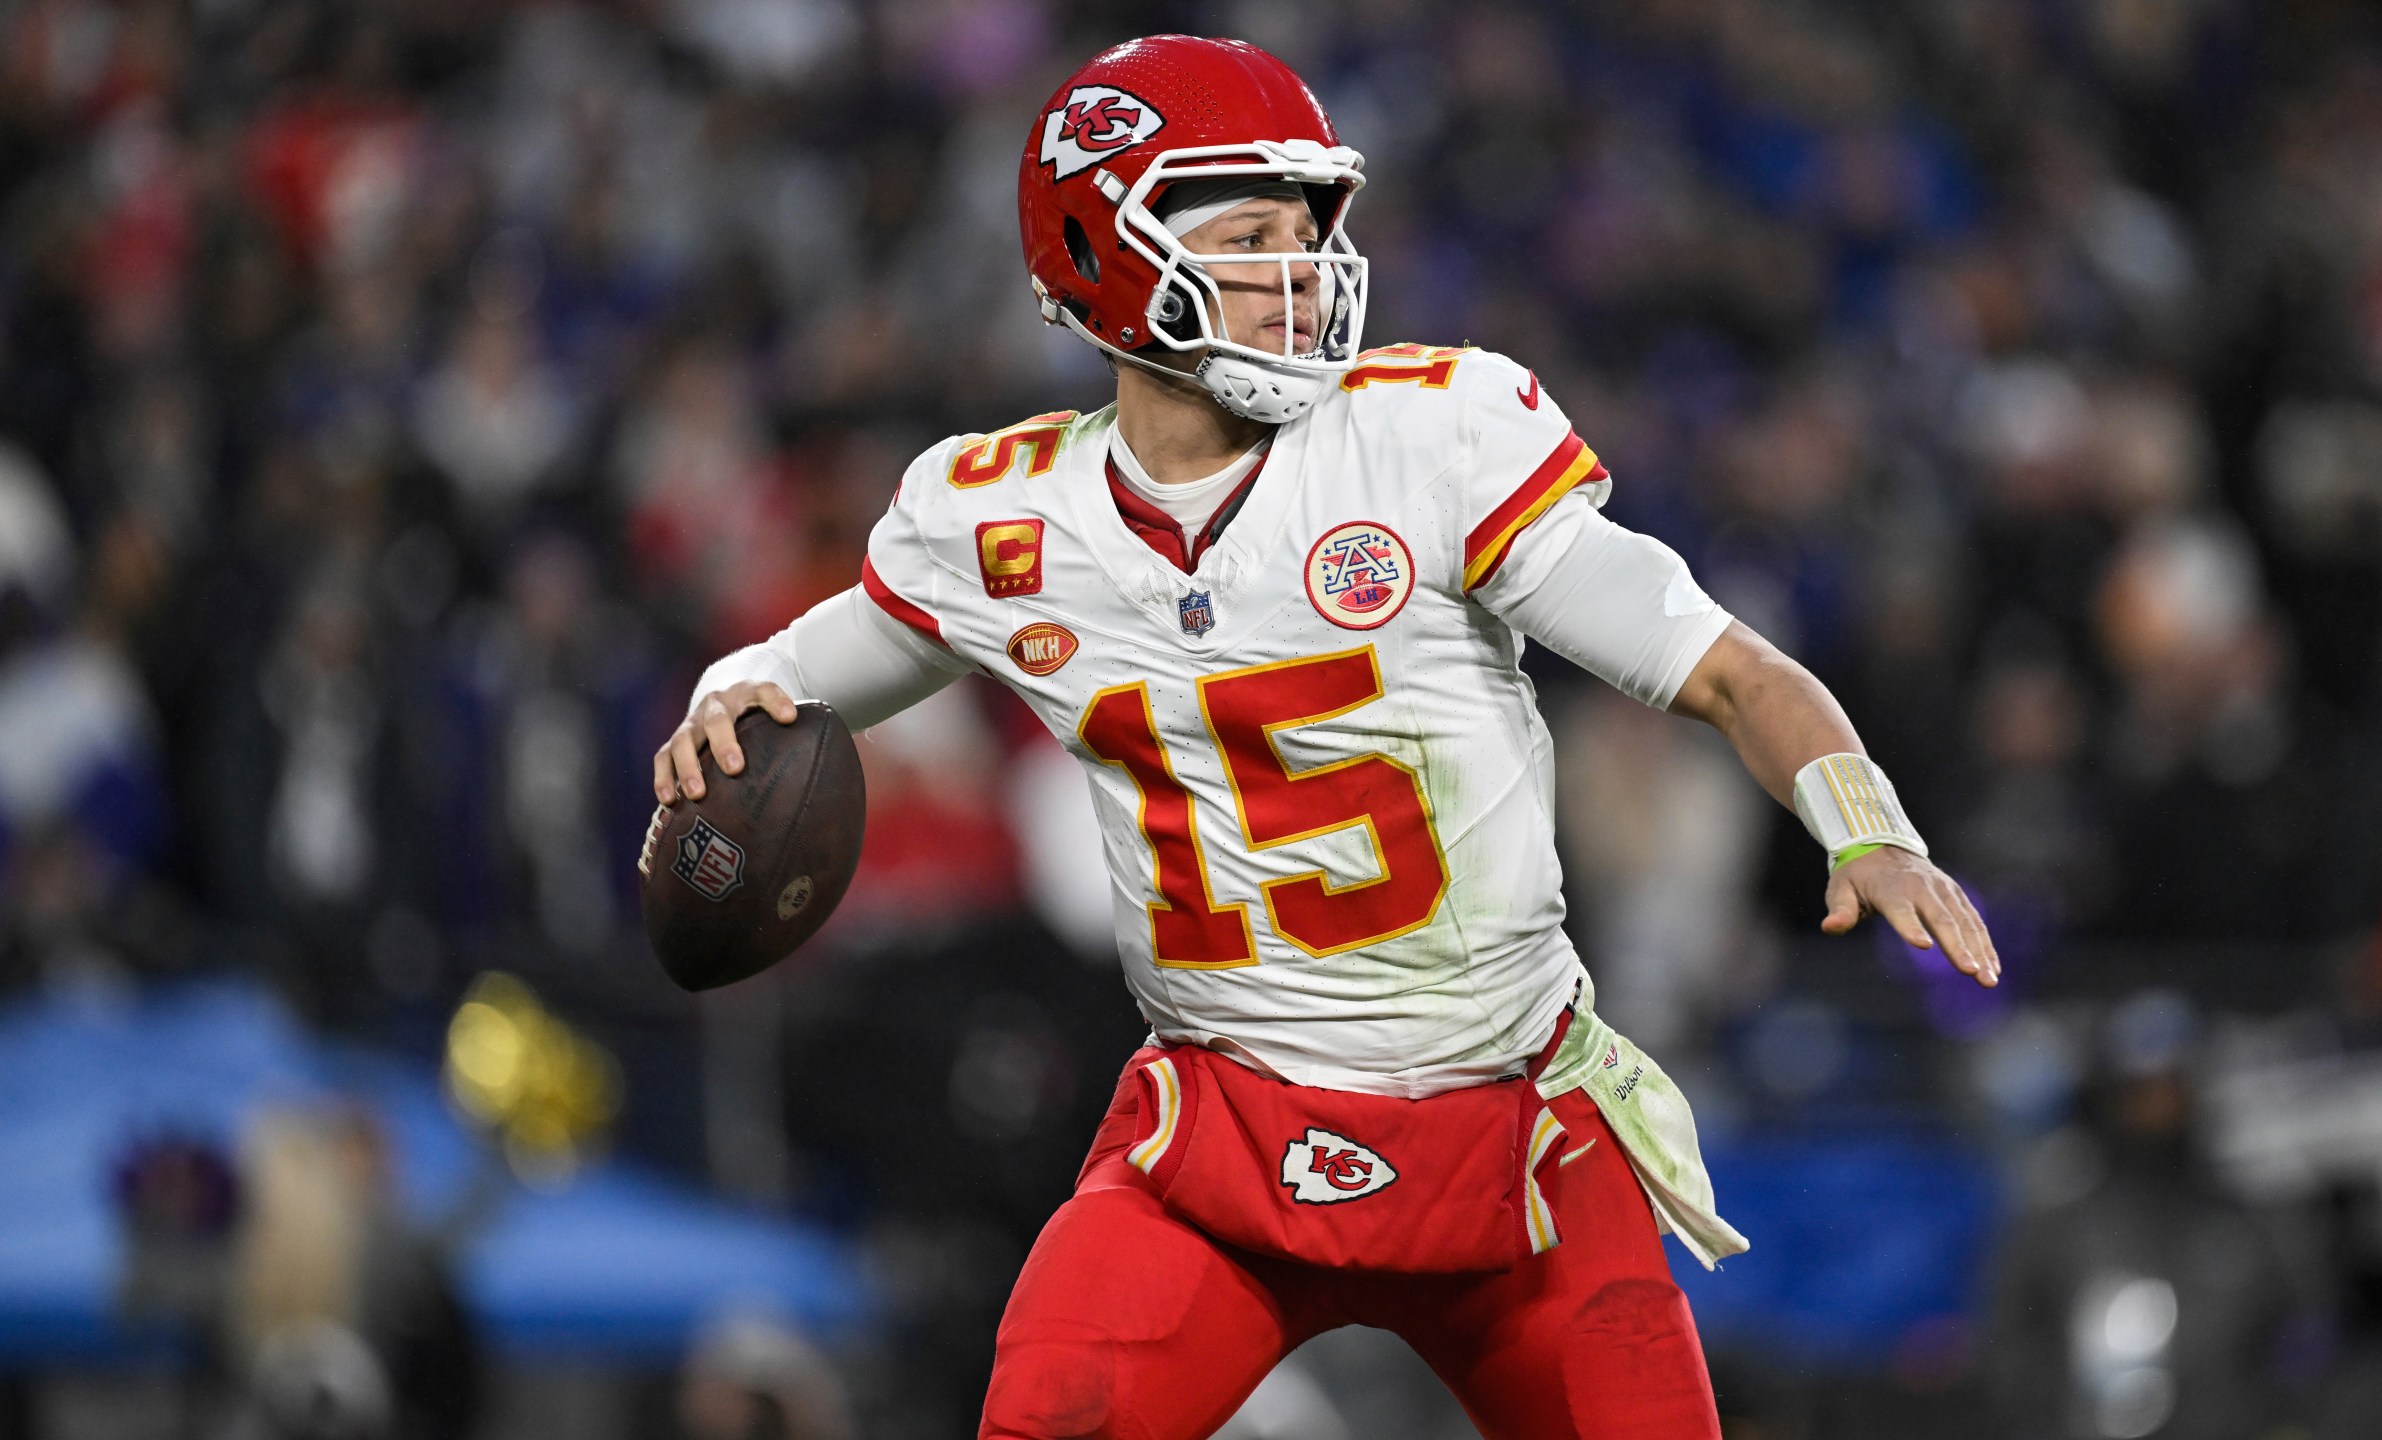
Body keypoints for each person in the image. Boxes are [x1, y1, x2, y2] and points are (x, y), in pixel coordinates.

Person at [652, 35, 1999, 1440]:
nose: (1300, 275)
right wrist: (722, 711)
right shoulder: (1003, 518)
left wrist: (1869, 825)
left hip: (1515, 1142)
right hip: (1221, 1148)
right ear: (1103, 257)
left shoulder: (1428, 446)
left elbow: (1727, 668)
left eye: (1307, 234)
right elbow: (794, 677)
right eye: (1248, 237)